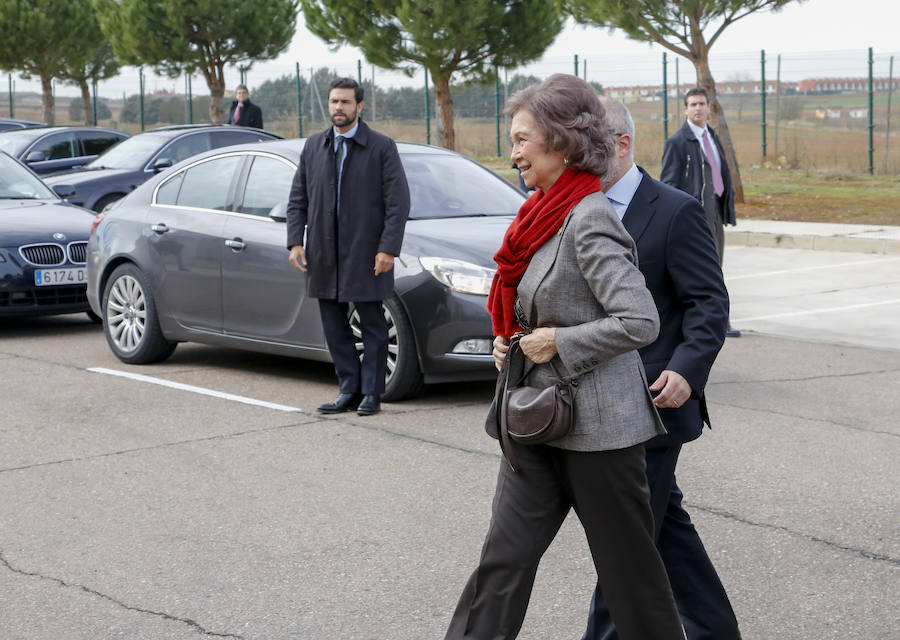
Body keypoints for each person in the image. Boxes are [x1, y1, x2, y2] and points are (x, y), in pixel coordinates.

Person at [444, 74, 685, 640]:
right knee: (502, 563)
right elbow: (531, 298)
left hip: (599, 431)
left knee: (630, 577)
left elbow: (639, 320)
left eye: (524, 139)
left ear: (561, 141)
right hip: (533, 419)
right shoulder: (537, 215)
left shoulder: (589, 216)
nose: (514, 152)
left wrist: (560, 342)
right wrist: (512, 337)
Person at [580, 98, 741, 640]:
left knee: (625, 543)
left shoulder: (674, 210)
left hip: (656, 403)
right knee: (663, 529)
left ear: (623, 145)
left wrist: (686, 372)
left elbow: (708, 304)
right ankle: (717, 631)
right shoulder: (577, 209)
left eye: (591, 148)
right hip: (598, 406)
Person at [286, 78, 410, 417]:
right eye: (333, 102)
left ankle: (372, 393)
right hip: (324, 253)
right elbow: (298, 198)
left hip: (366, 252)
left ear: (359, 106)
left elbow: (398, 203)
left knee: (372, 324)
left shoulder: (381, 147)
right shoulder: (314, 146)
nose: (338, 108)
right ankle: (348, 391)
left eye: (345, 102)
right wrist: (296, 241)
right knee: (334, 326)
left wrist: (388, 248)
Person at [660, 88, 740, 338]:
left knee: (716, 269)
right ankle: (699, 323)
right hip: (693, 218)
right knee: (698, 272)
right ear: (685, 109)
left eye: (701, 104)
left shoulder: (713, 137)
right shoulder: (677, 142)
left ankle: (719, 321)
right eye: (692, 104)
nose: (697, 108)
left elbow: (721, 176)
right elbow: (668, 184)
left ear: (708, 108)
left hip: (714, 214)